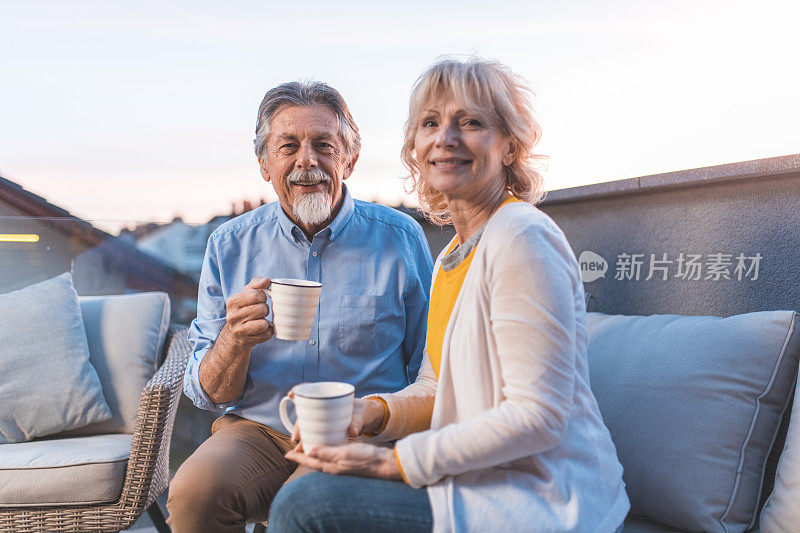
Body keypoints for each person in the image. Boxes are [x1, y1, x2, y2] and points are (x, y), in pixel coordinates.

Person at [268, 58, 630, 532]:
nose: (446, 138)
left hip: (544, 501)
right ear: (415, 148)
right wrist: (368, 413)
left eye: (472, 123)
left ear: (509, 145)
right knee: (308, 486)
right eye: (431, 124)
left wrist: (390, 463)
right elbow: (438, 387)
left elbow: (538, 417)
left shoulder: (521, 237)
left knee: (305, 506)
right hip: (476, 483)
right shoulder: (454, 254)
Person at [166, 81, 434, 533]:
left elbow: (426, 364)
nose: (306, 161)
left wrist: (385, 425)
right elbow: (207, 394)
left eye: (323, 146)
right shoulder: (229, 246)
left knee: (302, 502)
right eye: (287, 146)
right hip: (260, 429)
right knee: (194, 493)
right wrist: (233, 341)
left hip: (358, 429)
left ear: (348, 160)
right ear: (264, 164)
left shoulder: (400, 239)